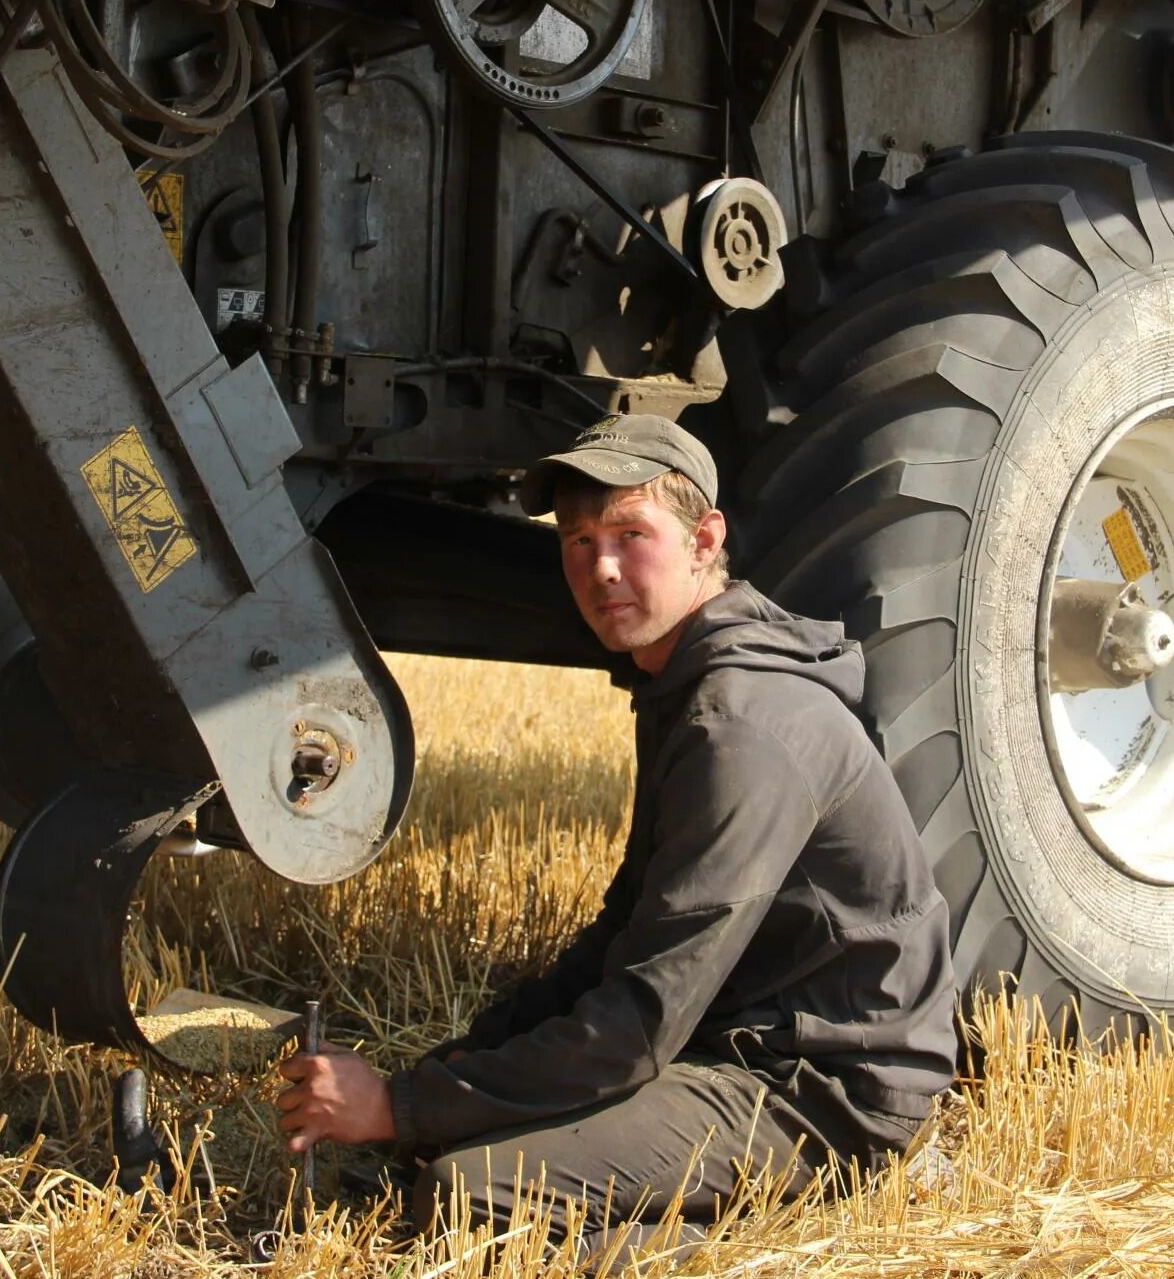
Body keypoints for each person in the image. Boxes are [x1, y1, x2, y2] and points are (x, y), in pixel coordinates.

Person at [273, 413, 958, 1260]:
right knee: (438, 1153)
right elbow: (615, 947)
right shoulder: (681, 684)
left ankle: (780, 1246)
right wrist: (438, 1078)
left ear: (705, 540)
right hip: (734, 1037)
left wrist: (404, 1106)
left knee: (468, 1196)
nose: (599, 566)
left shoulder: (740, 724)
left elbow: (635, 1026)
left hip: (826, 1087)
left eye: (632, 534)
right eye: (577, 538)